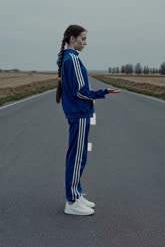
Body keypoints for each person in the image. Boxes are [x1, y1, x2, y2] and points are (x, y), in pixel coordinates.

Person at [56, 24, 121, 216]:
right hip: (79, 113)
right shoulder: (73, 60)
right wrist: (103, 92)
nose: (85, 43)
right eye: (83, 39)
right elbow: (80, 91)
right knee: (77, 157)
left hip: (77, 113)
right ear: (72, 38)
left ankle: (76, 193)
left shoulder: (67, 58)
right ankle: (72, 201)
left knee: (77, 156)